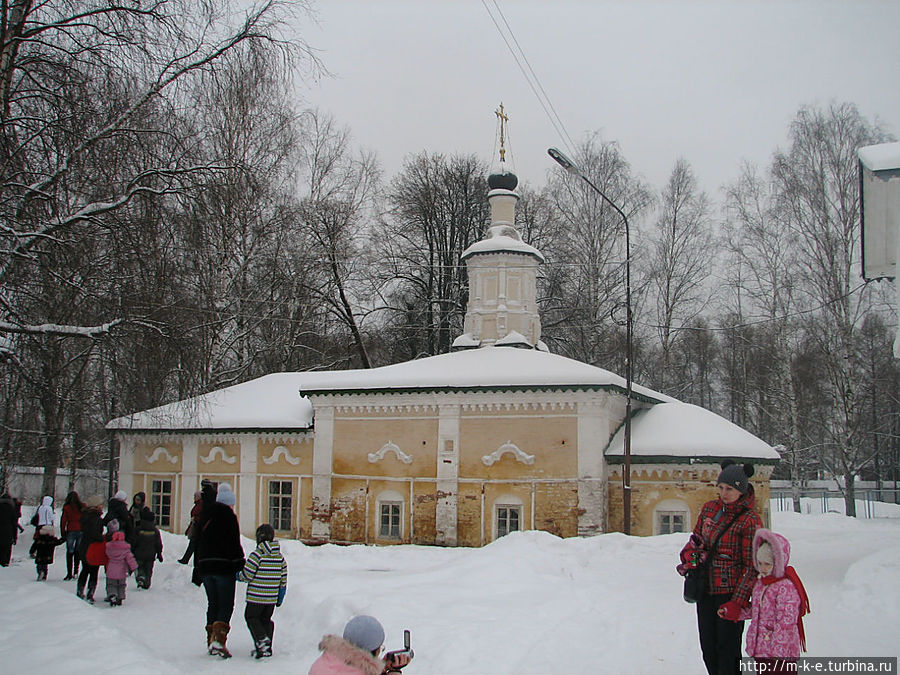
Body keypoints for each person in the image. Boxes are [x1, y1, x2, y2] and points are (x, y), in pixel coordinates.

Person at [678, 460, 762, 675]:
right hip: (705, 589)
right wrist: (690, 556)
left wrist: (738, 602)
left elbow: (751, 566)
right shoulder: (709, 509)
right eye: (721, 487)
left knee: (728, 652)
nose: (724, 493)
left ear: (741, 491)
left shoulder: (749, 520)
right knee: (708, 649)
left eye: (730, 489)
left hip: (729, 594)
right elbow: (697, 540)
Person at [742, 529, 810, 673]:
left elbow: (786, 620)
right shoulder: (761, 584)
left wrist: (778, 650)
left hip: (779, 653)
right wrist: (736, 612)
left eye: (768, 564)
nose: (763, 568)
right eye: (759, 563)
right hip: (761, 648)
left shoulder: (786, 586)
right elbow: (756, 611)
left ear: (778, 561)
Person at [195, 482, 244, 658]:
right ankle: (218, 641)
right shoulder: (229, 518)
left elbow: (197, 542)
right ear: (228, 503)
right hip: (223, 568)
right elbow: (234, 544)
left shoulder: (206, 516)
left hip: (207, 567)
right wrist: (240, 564)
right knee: (225, 604)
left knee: (213, 604)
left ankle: (211, 639)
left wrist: (199, 566)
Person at [237, 523, 288, 659]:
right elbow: (283, 579)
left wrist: (238, 576)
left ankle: (262, 640)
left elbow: (247, 574)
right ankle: (266, 648)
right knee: (266, 620)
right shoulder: (280, 557)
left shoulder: (257, 555)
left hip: (256, 597)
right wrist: (280, 596)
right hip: (271, 598)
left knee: (251, 617)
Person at [309, 615, 412, 675]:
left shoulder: (325, 660)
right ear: (374, 651)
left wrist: (380, 668)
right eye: (380, 648)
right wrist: (395, 672)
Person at [76, 494, 105, 604]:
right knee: (94, 571)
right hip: (93, 547)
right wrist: (101, 538)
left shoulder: (84, 516)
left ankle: (80, 590)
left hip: (84, 546)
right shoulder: (96, 519)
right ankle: (90, 593)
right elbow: (96, 534)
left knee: (85, 569)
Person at [132, 506, 164, 589]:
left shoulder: (138, 529)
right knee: (149, 569)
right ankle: (147, 583)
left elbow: (134, 541)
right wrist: (159, 554)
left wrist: (132, 550)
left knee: (139, 567)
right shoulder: (155, 531)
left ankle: (141, 577)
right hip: (151, 554)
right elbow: (158, 543)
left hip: (139, 553)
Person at [104, 530, 137, 606]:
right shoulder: (125, 549)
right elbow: (130, 559)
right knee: (121, 585)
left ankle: (112, 595)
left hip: (111, 570)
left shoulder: (109, 547)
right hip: (122, 571)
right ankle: (120, 597)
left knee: (111, 584)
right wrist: (134, 567)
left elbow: (106, 555)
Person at [60, 491, 84, 580]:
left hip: (71, 530)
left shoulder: (67, 508)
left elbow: (63, 521)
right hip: (81, 530)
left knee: (70, 551)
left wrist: (63, 532)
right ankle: (76, 571)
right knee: (77, 551)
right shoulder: (82, 507)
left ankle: (69, 573)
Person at [178, 490, 203, 565]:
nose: (194, 498)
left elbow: (197, 515)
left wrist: (195, 519)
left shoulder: (200, 504)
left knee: (193, 544)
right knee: (193, 545)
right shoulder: (199, 504)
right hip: (196, 527)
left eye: (195, 496)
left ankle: (186, 560)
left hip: (197, 527)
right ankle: (187, 559)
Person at [0, 492, 18, 567]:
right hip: (8, 530)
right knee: (7, 546)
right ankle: (5, 561)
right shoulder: (12, 509)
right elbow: (14, 523)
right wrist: (15, 537)